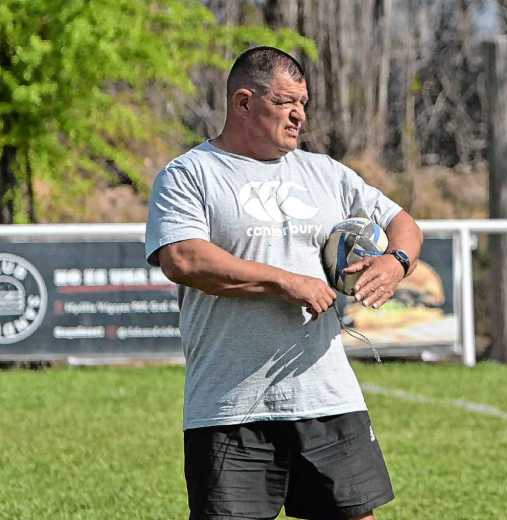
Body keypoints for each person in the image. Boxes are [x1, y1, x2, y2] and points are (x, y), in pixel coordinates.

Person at [145, 46, 422, 520]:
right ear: (244, 102)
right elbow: (183, 257)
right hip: (230, 404)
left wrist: (396, 263)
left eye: (303, 103)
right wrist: (286, 282)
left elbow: (404, 225)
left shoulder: (325, 173)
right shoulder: (190, 174)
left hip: (326, 395)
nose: (299, 115)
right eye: (285, 102)